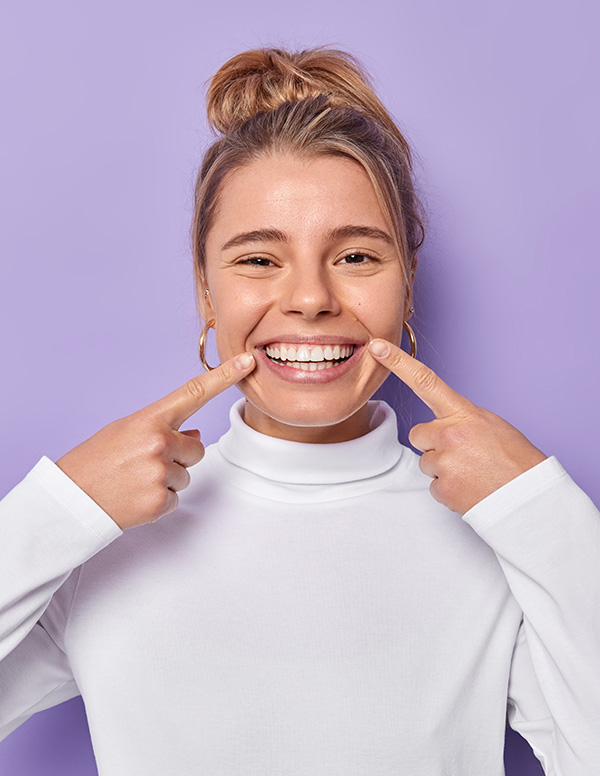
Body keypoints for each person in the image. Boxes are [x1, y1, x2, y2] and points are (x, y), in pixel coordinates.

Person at [0, 45, 598, 776]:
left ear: (406, 286)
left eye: (356, 258)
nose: (311, 298)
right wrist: (58, 511)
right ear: (204, 290)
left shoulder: (503, 544)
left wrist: (539, 513)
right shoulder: (99, 543)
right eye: (258, 259)